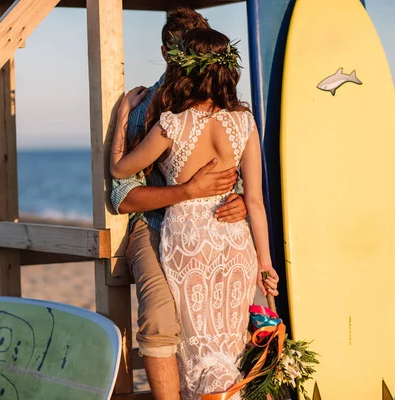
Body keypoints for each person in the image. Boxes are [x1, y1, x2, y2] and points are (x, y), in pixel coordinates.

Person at [110, 28, 279, 399]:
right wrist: (265, 265)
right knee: (230, 348)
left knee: (198, 352)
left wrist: (123, 116)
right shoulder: (244, 121)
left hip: (189, 244)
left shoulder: (172, 123)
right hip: (235, 244)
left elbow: (120, 170)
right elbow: (255, 202)